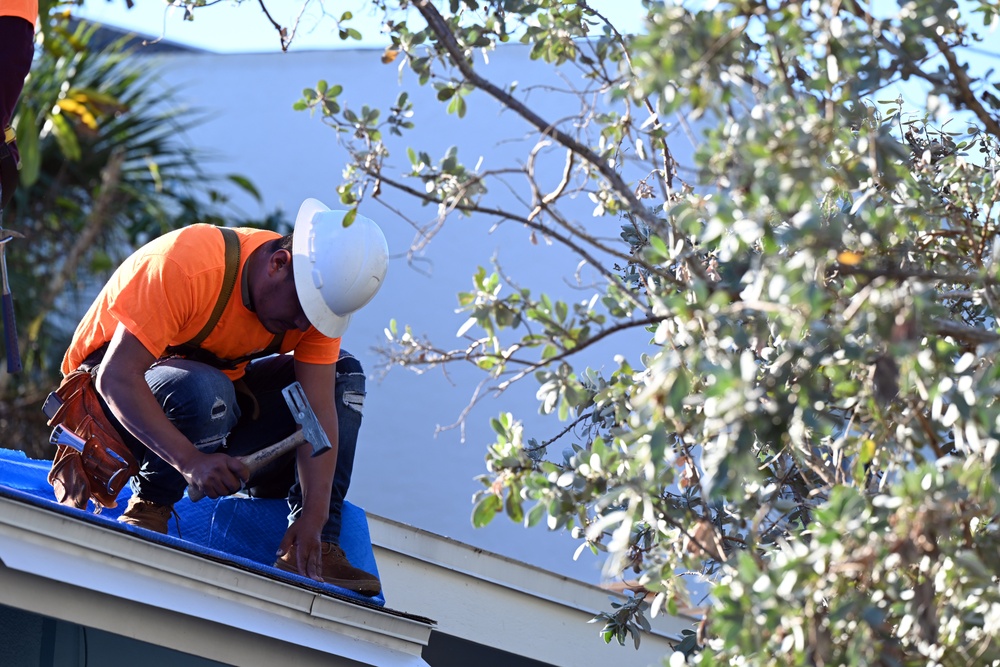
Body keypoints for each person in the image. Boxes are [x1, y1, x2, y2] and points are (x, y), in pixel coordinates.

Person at [58, 198, 389, 596]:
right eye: (303, 310)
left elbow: (317, 418)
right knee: (205, 390)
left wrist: (315, 517)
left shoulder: (317, 303)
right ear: (279, 263)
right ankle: (149, 507)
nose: (304, 324)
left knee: (342, 378)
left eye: (317, 317)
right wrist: (191, 460)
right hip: (113, 411)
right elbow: (116, 379)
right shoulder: (187, 265)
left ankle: (309, 548)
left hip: (212, 414)